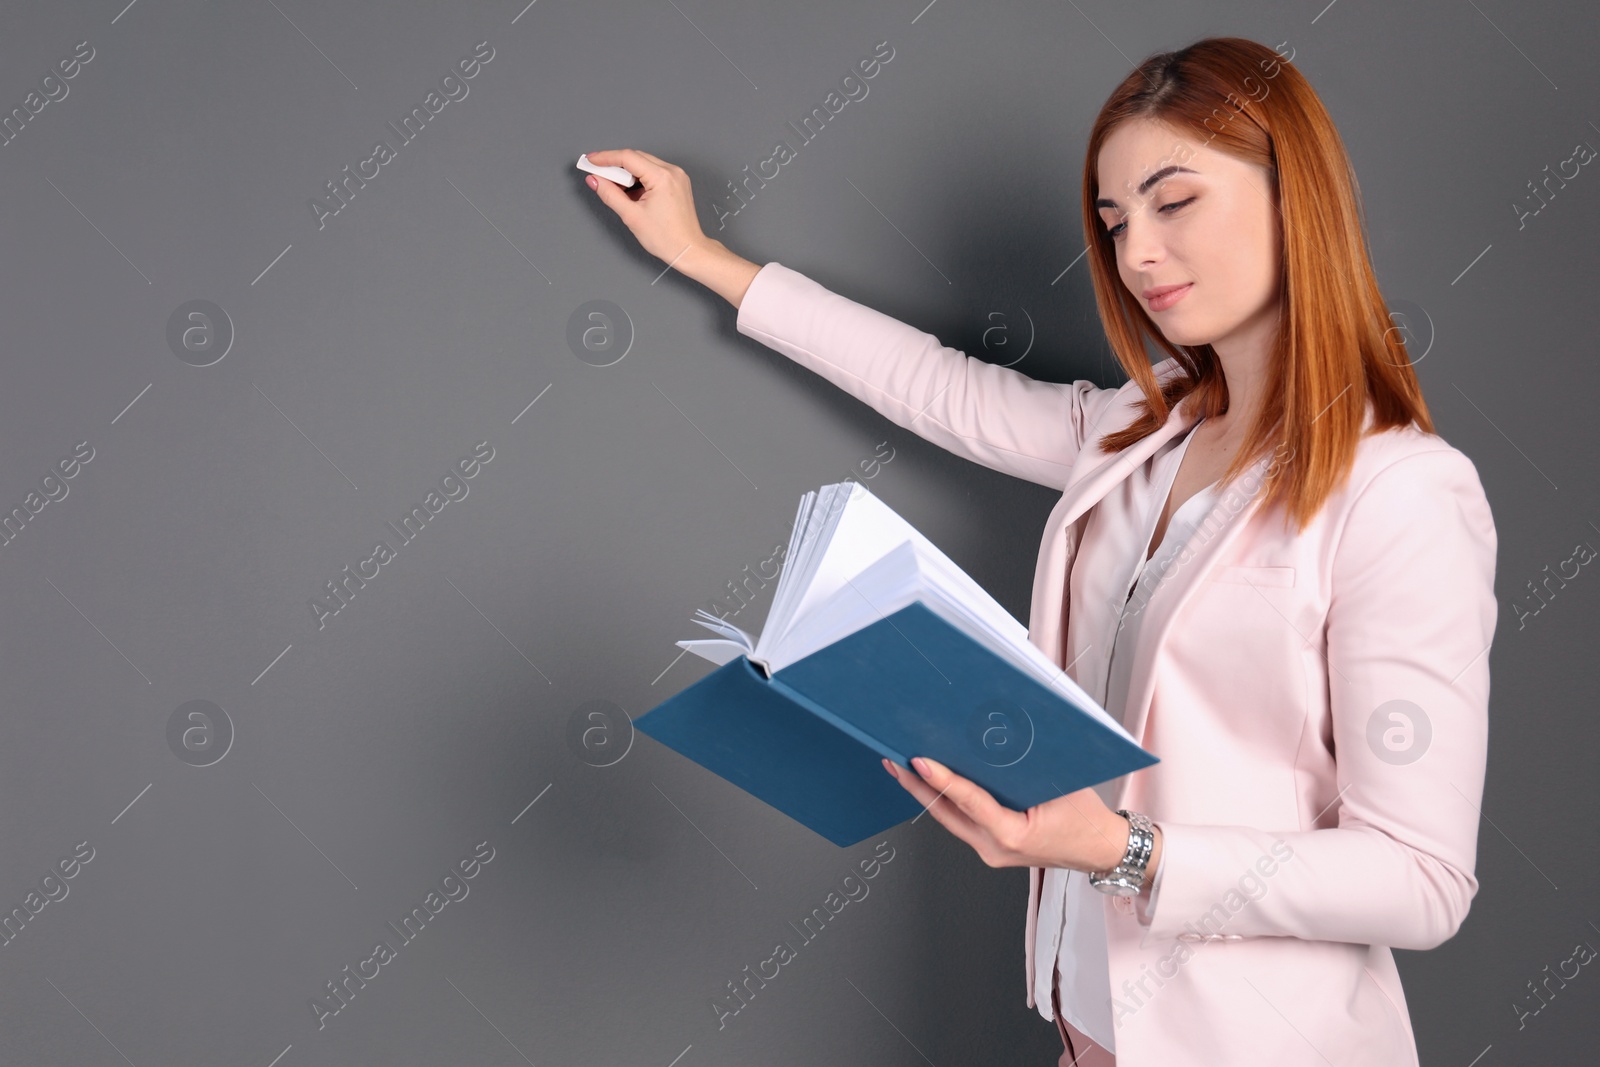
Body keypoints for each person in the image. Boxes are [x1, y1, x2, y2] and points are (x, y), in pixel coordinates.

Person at [584, 35, 1497, 1067]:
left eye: (1174, 200)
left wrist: (1123, 850)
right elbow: (942, 389)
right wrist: (702, 256)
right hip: (1091, 1034)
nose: (1137, 252)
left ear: (1297, 196)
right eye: (1113, 222)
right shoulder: (1139, 435)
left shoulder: (1403, 489)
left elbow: (1421, 879)